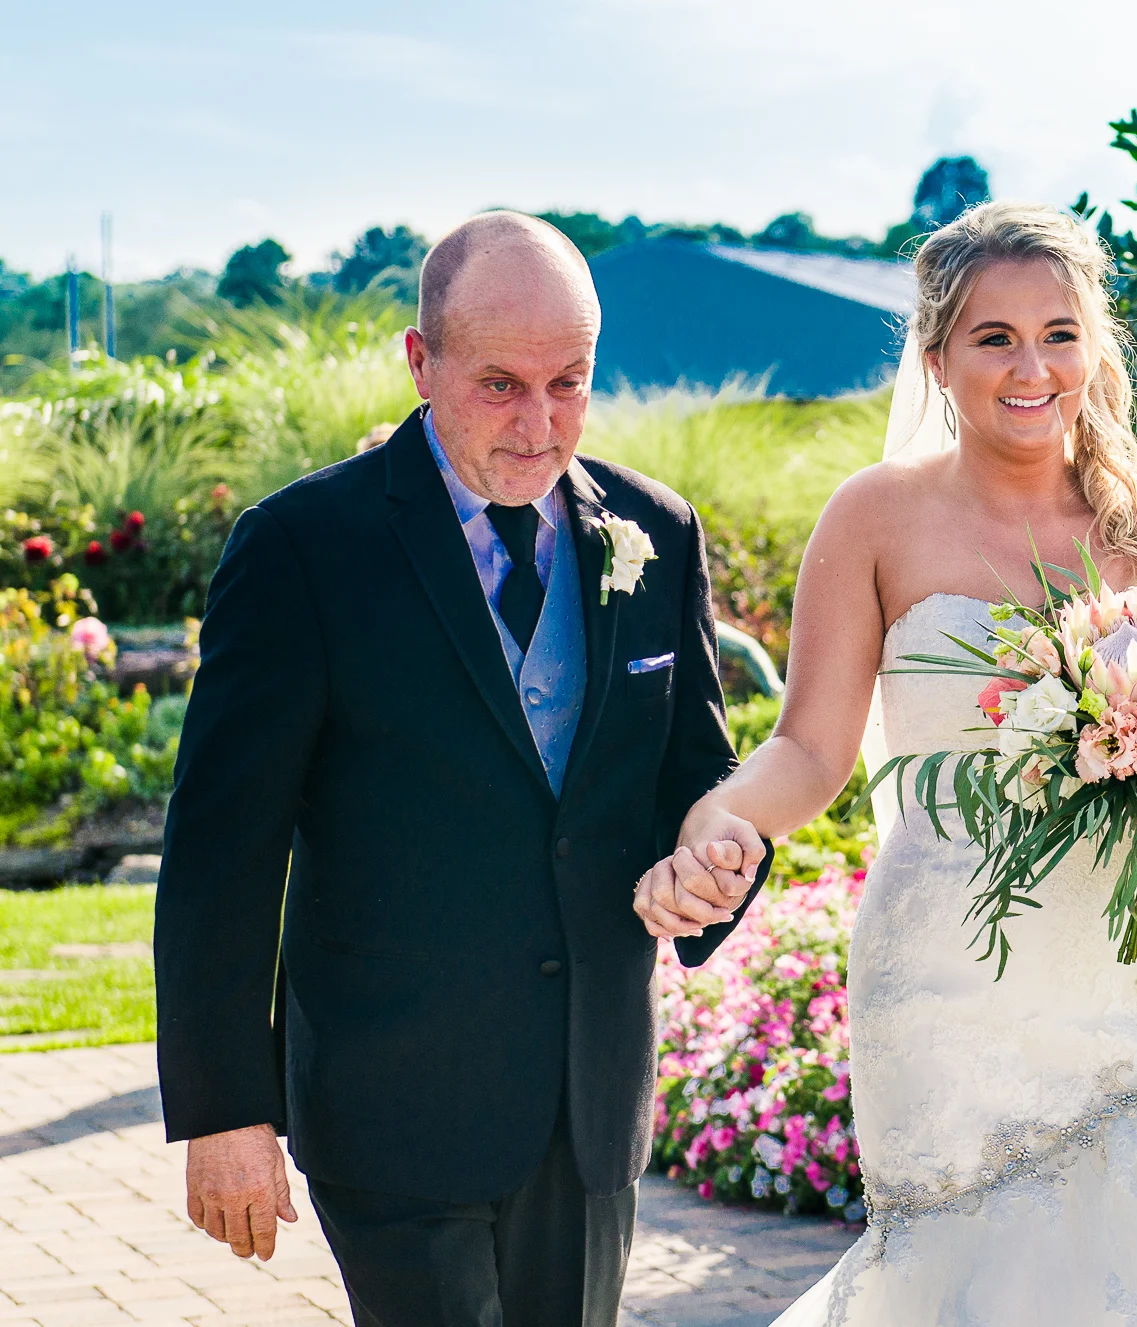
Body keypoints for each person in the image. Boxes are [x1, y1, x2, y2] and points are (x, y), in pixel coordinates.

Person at [657, 201, 1137, 1324]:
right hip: (946, 979)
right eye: (995, 338)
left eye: (1059, 334)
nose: (1032, 369)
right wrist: (723, 820)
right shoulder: (874, 518)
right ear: (936, 358)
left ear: (1094, 346)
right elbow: (809, 748)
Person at [154, 211, 767, 1327]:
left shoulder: (657, 531)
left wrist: (717, 862)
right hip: (390, 1102)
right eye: (499, 386)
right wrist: (223, 1110)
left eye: (569, 384)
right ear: (420, 361)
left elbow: (703, 780)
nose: (539, 426)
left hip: (590, 1101)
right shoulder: (300, 548)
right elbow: (219, 851)